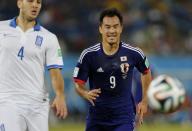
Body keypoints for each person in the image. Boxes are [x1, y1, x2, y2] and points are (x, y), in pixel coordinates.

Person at [73, 8, 152, 131]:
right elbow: (78, 84)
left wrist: (145, 100)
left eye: (115, 27)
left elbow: (146, 72)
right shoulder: (88, 55)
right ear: (100, 29)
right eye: (107, 27)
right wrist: (84, 93)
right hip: (96, 118)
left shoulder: (134, 53)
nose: (112, 31)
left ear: (121, 28)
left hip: (124, 118)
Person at [0, 0, 68, 131]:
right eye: (30, 1)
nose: (35, 5)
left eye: (38, 2)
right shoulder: (1, 28)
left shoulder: (49, 37)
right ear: (19, 3)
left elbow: (55, 72)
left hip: (38, 103)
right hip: (7, 99)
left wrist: (60, 95)